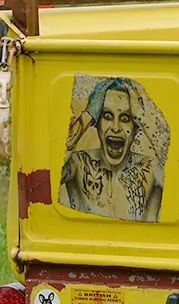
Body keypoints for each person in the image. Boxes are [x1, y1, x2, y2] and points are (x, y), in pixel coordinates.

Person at [60, 77, 164, 222]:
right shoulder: (79, 164)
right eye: (107, 116)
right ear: (97, 123)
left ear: (136, 128)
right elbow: (45, 174)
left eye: (126, 118)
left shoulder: (151, 170)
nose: (115, 127)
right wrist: (88, 115)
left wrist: (142, 117)